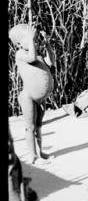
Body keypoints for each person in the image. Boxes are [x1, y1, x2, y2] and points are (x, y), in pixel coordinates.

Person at [9, 24, 55, 164]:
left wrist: (47, 44)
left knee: (39, 126)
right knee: (31, 127)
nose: (32, 42)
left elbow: (51, 62)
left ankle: (40, 151)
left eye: (33, 40)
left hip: (40, 99)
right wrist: (30, 38)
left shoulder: (38, 55)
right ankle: (33, 155)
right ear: (18, 44)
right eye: (28, 40)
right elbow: (31, 58)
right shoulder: (21, 54)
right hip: (28, 97)